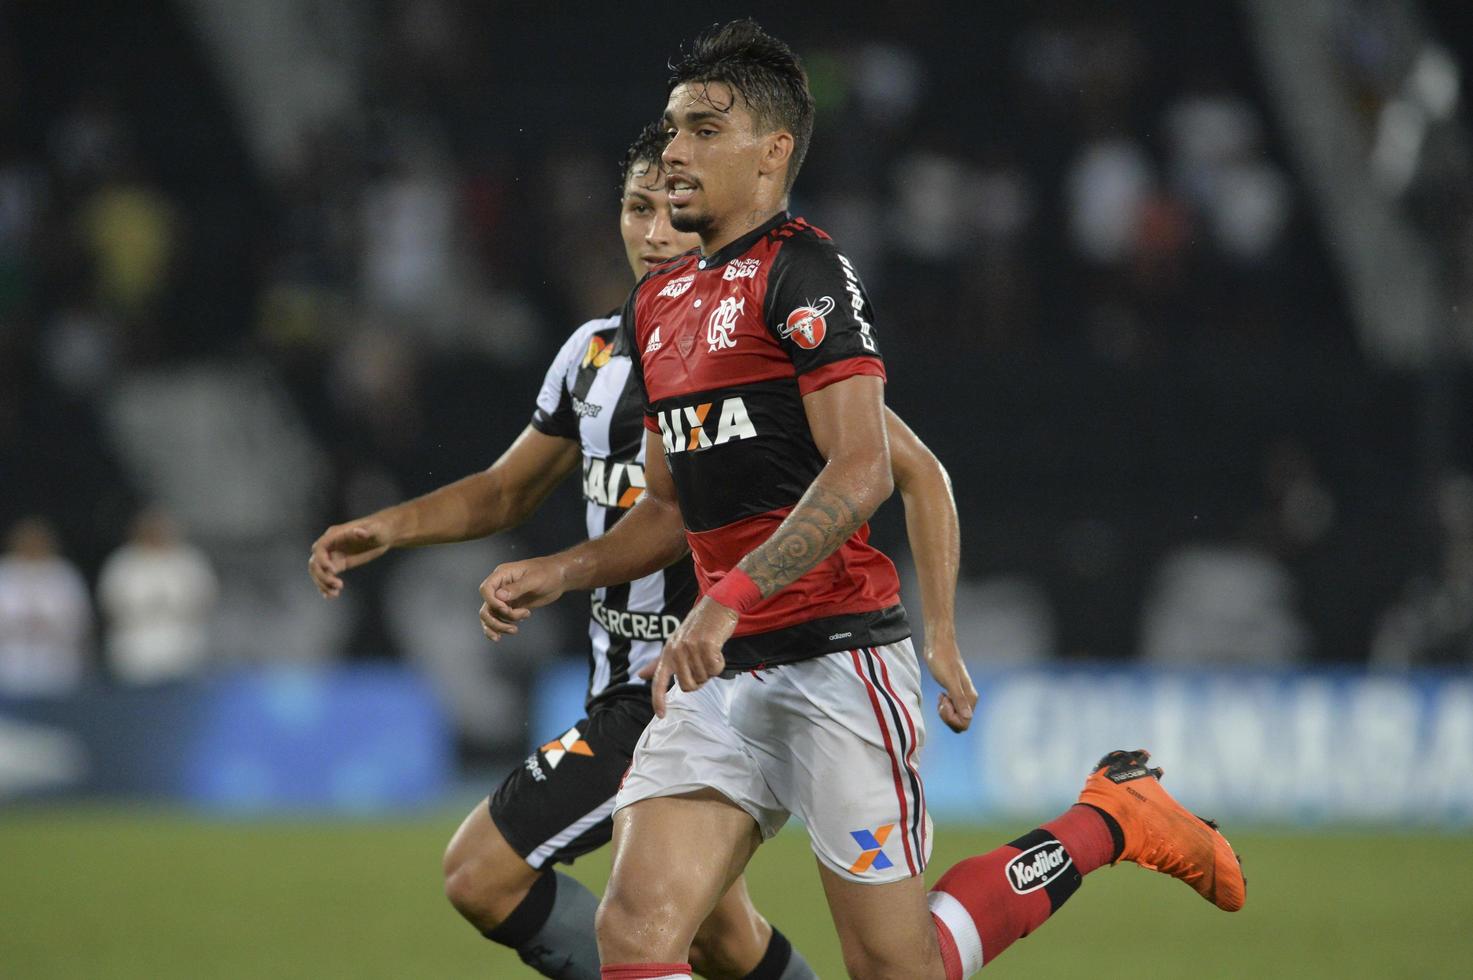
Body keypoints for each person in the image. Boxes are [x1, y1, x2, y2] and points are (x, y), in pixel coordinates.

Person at [480, 21, 1246, 980]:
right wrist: (561, 568)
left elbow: (865, 470)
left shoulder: (806, 272)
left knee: (899, 966)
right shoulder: (657, 307)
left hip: (832, 658)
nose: (673, 150)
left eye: (702, 131)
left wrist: (742, 602)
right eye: (671, 129)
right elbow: (669, 509)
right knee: (634, 938)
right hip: (717, 680)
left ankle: (1110, 819)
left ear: (772, 154)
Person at [309, 121, 967, 980]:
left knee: (485, 873)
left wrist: (941, 631)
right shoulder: (593, 353)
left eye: (671, 209)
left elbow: (900, 472)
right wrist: (391, 526)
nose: (655, 231)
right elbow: (507, 491)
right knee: (712, 939)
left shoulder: (751, 339)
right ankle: (1105, 823)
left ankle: (1093, 832)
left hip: (690, 680)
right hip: (633, 677)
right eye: (635, 209)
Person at [97, 506, 219, 684]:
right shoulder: (123, 563)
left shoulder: (189, 560)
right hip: (135, 646)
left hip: (182, 644)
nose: (157, 533)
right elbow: (109, 605)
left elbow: (206, 599)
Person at [0, 516, 92, 697]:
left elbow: (80, 620)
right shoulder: (4, 573)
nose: (33, 546)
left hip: (56, 663)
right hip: (11, 663)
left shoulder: (64, 573)